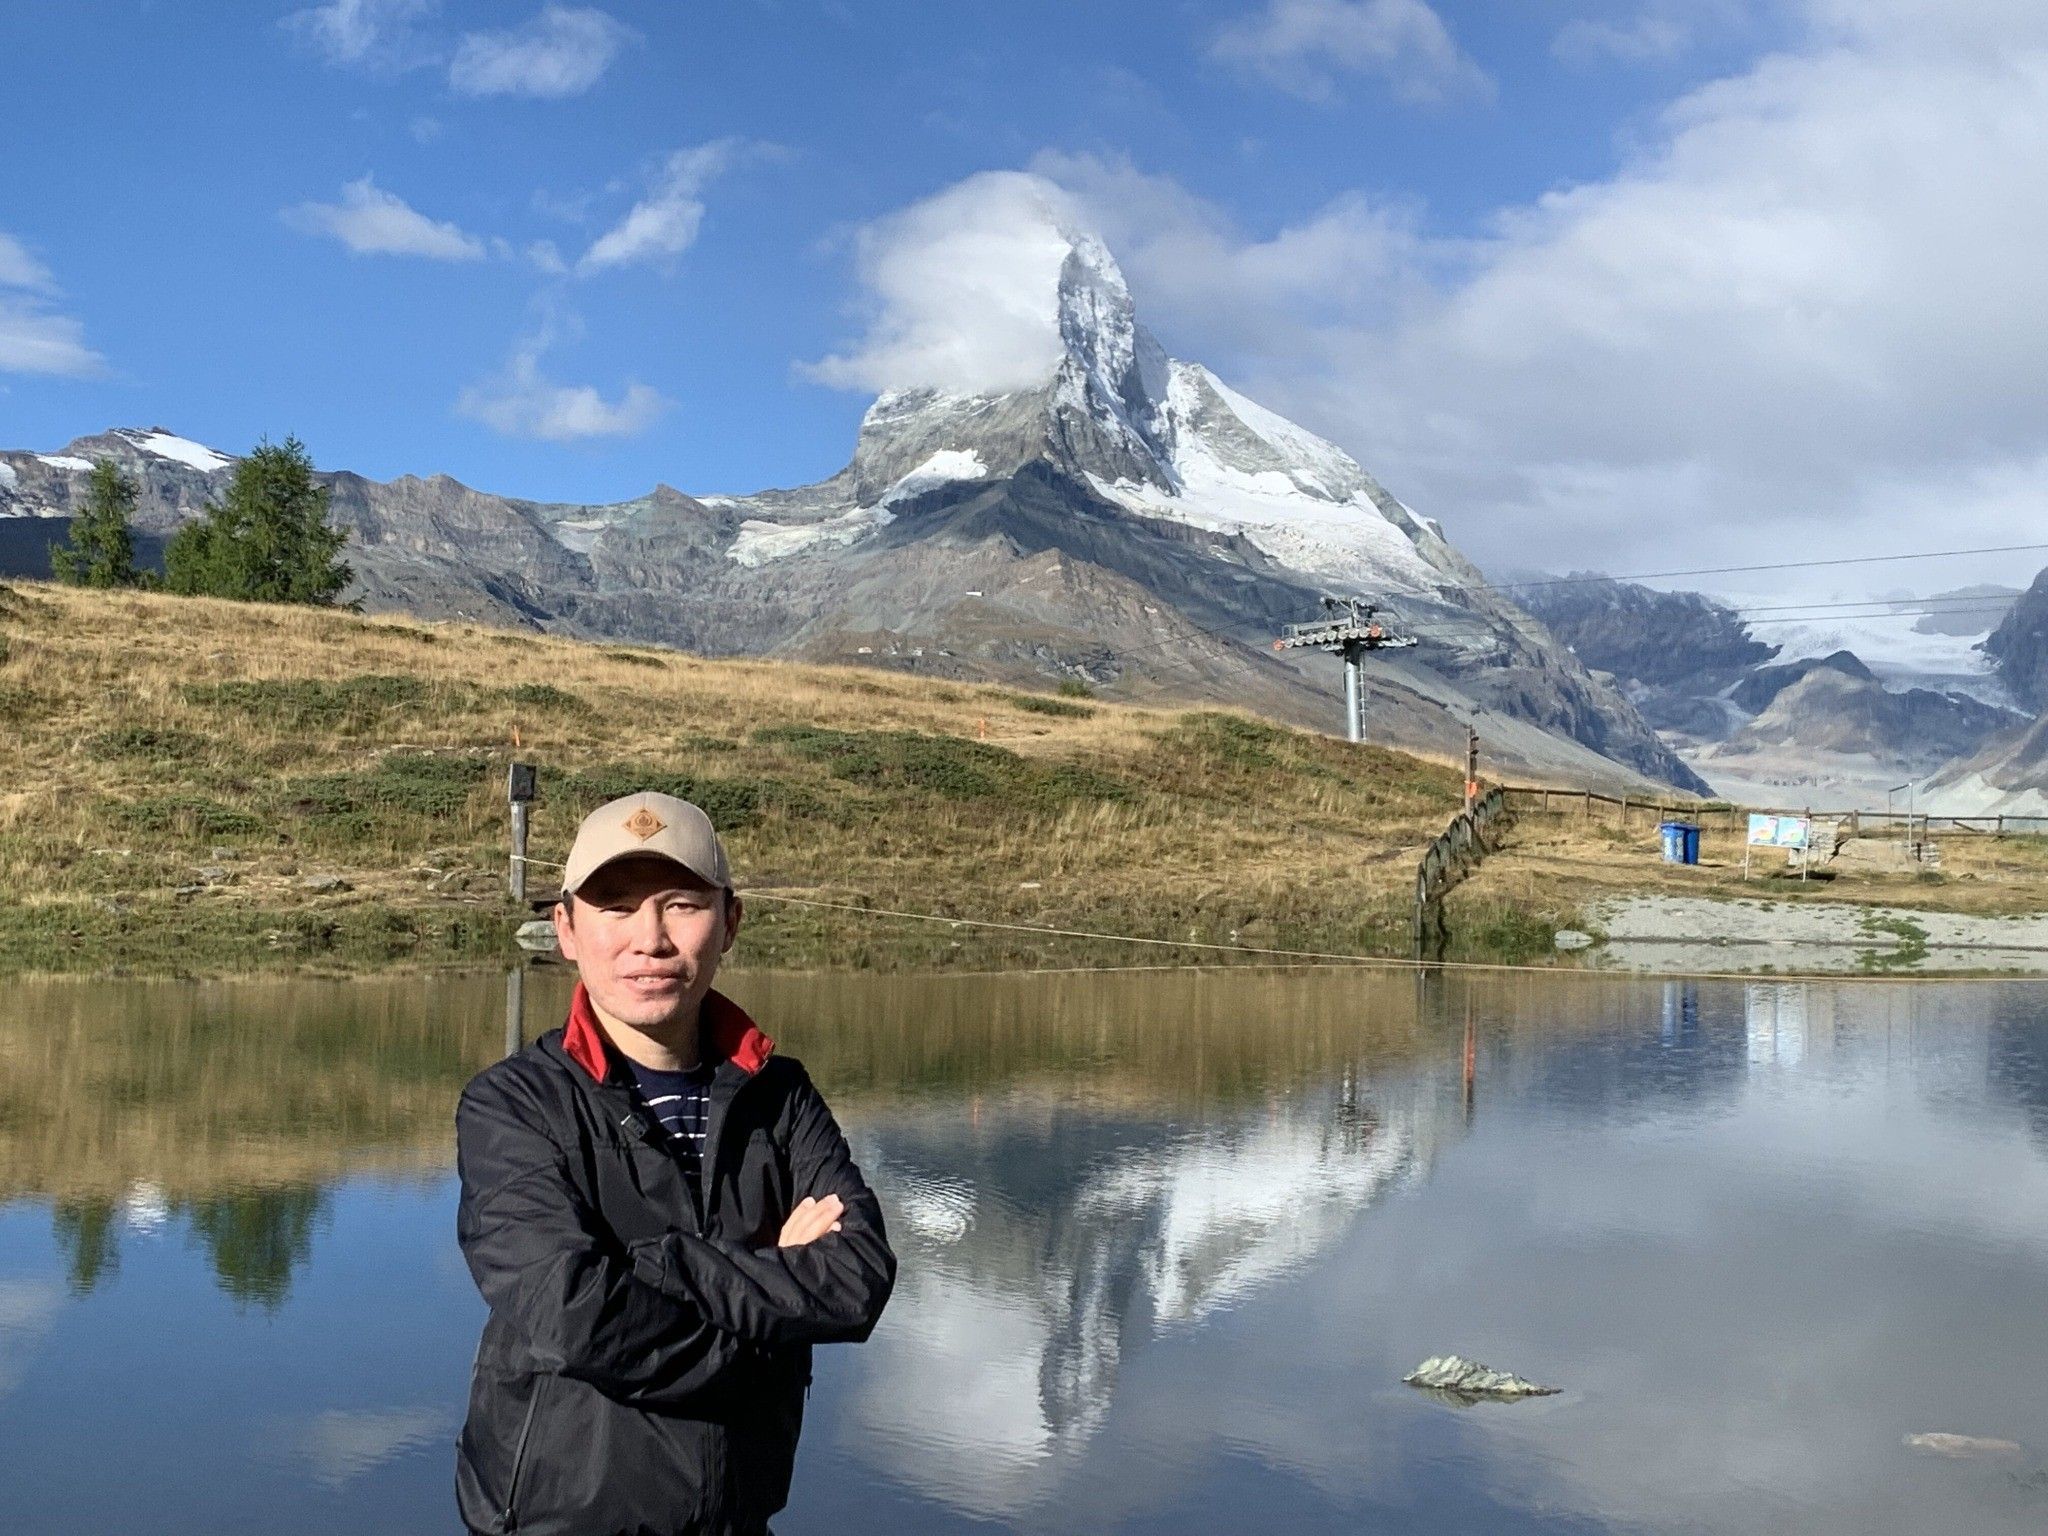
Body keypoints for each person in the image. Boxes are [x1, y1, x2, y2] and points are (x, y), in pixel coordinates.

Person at [454, 791, 895, 1536]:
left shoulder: (780, 1095)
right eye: (616, 908)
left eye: (682, 905)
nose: (650, 938)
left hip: (736, 1516)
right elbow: (575, 1315)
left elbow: (857, 1280)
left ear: (730, 922)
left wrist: (647, 1268)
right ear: (565, 929)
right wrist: (771, 1286)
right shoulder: (513, 1106)